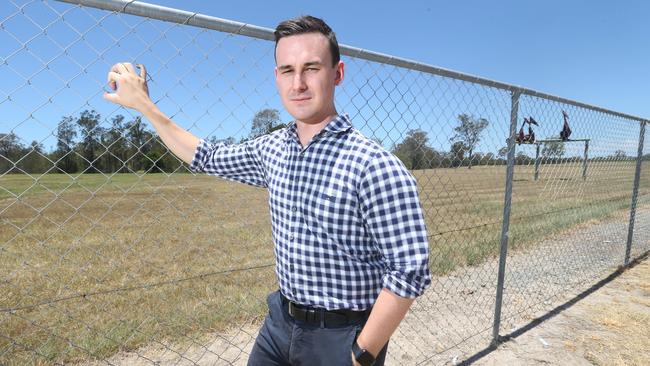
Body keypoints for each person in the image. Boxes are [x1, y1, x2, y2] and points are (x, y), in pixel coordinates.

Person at [104, 15, 431, 366]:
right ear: (277, 78)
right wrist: (145, 107)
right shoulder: (272, 149)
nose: (299, 83)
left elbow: (410, 270)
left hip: (342, 335)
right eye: (288, 70)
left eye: (312, 68)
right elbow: (207, 156)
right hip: (279, 326)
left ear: (337, 74)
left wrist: (361, 354)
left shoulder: (374, 165)